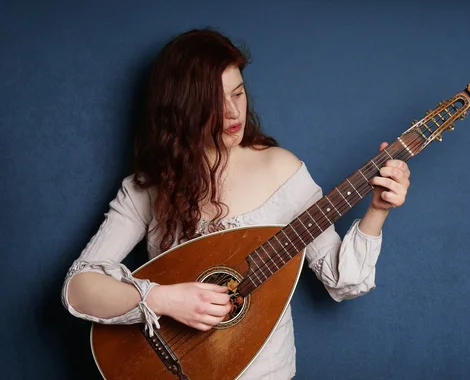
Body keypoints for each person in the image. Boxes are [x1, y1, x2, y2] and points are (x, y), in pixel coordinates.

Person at [61, 28, 411, 379]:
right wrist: (165, 300)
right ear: (182, 109)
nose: (232, 113)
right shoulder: (150, 187)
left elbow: (341, 281)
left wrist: (378, 210)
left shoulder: (282, 170)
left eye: (238, 93)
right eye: (213, 103)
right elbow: (79, 289)